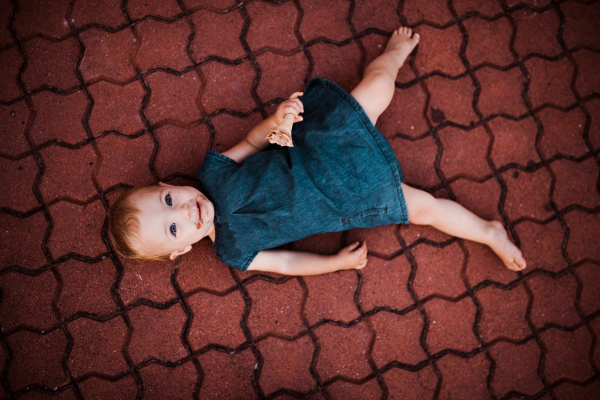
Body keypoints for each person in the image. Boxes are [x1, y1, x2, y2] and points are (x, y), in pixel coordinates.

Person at [108, 27, 527, 275]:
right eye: (174, 228)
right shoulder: (234, 253)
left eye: (168, 200)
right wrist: (334, 265)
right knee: (427, 210)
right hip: (350, 197)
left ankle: (393, 56)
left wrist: (276, 121)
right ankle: (489, 231)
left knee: (377, 87)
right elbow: (288, 263)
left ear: (167, 184)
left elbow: (255, 142)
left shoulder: (213, 174)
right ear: (181, 250)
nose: (183, 211)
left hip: (323, 144)